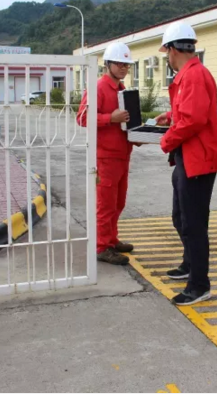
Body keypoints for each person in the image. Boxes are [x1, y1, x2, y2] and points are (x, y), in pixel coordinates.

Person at [155, 22, 217, 305]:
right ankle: (189, 265)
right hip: (188, 156)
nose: (166, 58)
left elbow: (194, 120)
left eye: (166, 52)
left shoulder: (194, 75)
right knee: (180, 216)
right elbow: (188, 110)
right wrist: (170, 116)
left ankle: (199, 285)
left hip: (198, 160)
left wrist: (166, 140)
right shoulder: (188, 76)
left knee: (194, 223)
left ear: (173, 49)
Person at [77, 42, 137, 265]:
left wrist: (137, 134)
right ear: (108, 64)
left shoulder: (122, 89)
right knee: (106, 203)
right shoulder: (98, 87)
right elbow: (82, 117)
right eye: (119, 63)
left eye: (126, 64)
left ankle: (111, 239)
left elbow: (128, 121)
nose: (123, 68)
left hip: (122, 154)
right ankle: (102, 246)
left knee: (118, 202)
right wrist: (109, 118)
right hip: (106, 156)